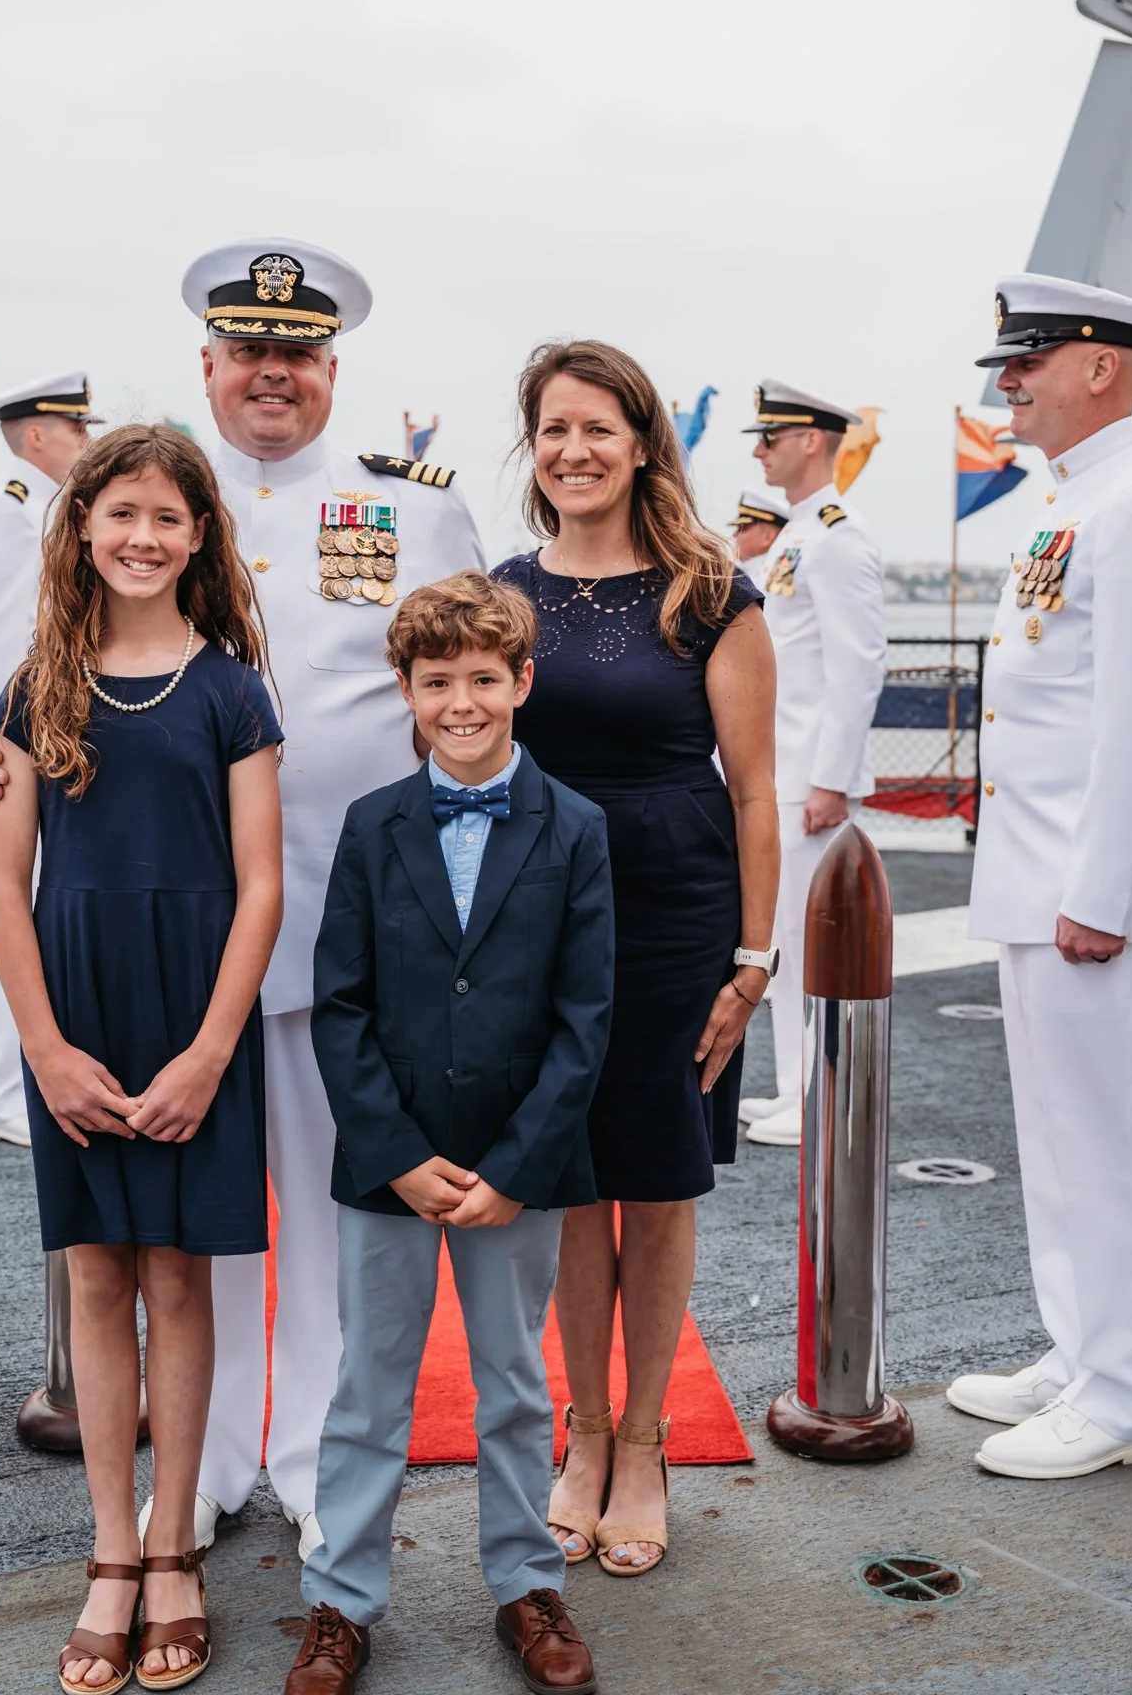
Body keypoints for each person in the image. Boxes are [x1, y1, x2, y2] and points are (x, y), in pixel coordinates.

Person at [0, 240, 484, 1559]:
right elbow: (35, 679)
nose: (272, 374)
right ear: (207, 364)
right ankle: (203, 1467)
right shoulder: (149, 502)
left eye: (296, 355)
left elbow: (466, 700)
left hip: (347, 921)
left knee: (328, 1209)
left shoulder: (411, 512)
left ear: (331, 371)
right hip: (174, 938)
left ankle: (309, 1453)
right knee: (192, 1225)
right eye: (248, 351)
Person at [0, 423, 283, 1691]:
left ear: (200, 535)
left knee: (178, 1278)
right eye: (120, 514)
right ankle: (112, 1549)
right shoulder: (34, 690)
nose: (142, 537)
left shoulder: (233, 689)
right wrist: (45, 1050)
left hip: (193, 1012)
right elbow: (5, 887)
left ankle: (174, 1547)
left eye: (167, 516)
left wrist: (212, 1053)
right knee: (99, 1275)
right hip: (79, 1012)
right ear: (84, 529)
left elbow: (262, 884)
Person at [284, 572, 610, 1695]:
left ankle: (526, 1580)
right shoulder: (371, 825)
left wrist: (514, 1168)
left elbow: (585, 1018)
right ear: (406, 691)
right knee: (368, 1386)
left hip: (519, 1165)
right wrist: (395, 1154)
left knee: (513, 1382)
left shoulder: (577, 827)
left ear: (522, 681)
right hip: (391, 1162)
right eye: (436, 683)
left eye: (482, 679)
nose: (460, 703)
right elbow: (340, 1005)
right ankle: (340, 1600)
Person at [493, 339, 778, 1580]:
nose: (575, 450)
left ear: (644, 444)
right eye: (554, 429)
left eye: (599, 428)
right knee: (568, 1182)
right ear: (534, 449)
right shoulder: (506, 592)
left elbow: (756, 792)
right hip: (542, 920)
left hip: (675, 919)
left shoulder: (709, 593)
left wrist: (753, 960)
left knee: (657, 1185)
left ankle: (647, 1440)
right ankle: (586, 1432)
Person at [946, 275, 1132, 1481]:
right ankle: (1083, 1350)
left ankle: (1119, 1390)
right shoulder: (1070, 498)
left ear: (1104, 366)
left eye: (1031, 359)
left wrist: (1102, 894)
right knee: (1057, 1141)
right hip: (1036, 873)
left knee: (1106, 1143)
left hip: (1086, 888)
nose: (1007, 381)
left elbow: (1130, 719)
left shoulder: (1128, 499)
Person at [737, 380, 885, 1148]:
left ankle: (819, 1096)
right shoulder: (797, 534)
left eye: (768, 438)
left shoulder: (836, 537)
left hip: (807, 779)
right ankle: (795, 1086)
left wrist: (832, 778)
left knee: (813, 942)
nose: (758, 452)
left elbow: (856, 666)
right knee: (783, 942)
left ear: (808, 440)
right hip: (780, 772)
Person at [0, 371, 102, 1145]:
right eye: (78, 428)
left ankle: (8, 1086)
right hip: (28, 746)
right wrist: (8, 745)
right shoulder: (10, 509)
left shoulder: (51, 509)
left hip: (56, 737)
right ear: (38, 433)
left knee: (39, 912)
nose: (87, 441)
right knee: (15, 910)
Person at [728, 489, 789, 584]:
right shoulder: (745, 573)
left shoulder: (768, 579)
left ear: (767, 537)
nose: (735, 534)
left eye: (742, 528)